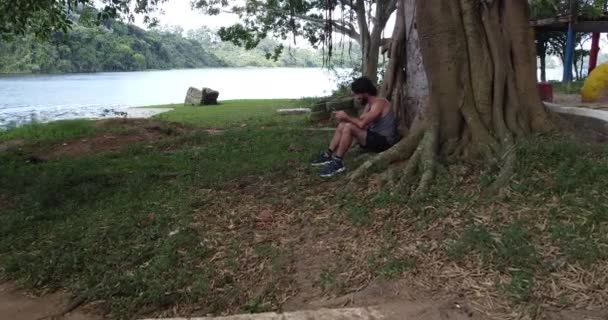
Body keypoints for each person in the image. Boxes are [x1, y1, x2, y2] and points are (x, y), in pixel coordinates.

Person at [311, 77, 399, 178]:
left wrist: (347, 117)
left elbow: (361, 124)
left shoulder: (379, 103)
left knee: (349, 126)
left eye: (357, 94)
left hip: (384, 142)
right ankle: (328, 155)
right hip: (374, 137)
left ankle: (338, 162)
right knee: (343, 124)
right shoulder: (369, 105)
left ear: (365, 92)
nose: (356, 98)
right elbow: (360, 122)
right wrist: (344, 118)